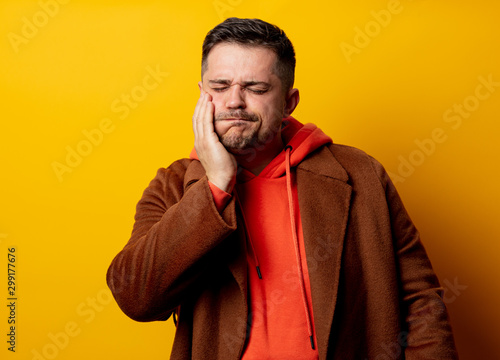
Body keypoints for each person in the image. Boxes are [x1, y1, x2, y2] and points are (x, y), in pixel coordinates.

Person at [107, 17, 458, 360]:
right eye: (220, 86)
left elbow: (420, 300)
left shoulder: (360, 174)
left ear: (289, 102)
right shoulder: (173, 186)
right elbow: (137, 297)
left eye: (255, 88)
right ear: (201, 94)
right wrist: (215, 185)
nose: (234, 102)